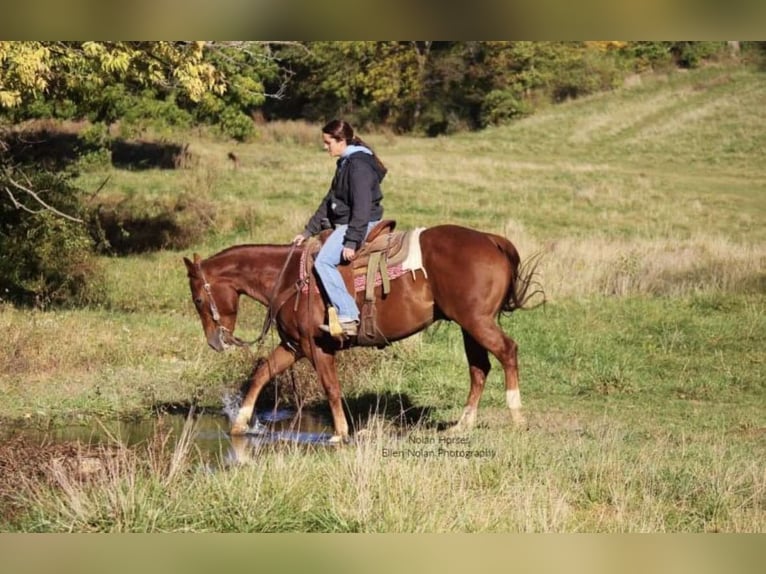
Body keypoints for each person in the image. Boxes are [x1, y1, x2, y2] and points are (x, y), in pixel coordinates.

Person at [293, 119, 387, 336]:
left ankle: (348, 316)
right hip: (351, 221)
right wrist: (308, 231)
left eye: (328, 143)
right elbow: (329, 200)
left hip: (360, 222)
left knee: (323, 261)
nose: (325, 147)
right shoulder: (345, 163)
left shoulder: (358, 166)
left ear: (341, 140)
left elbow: (362, 207)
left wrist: (352, 240)